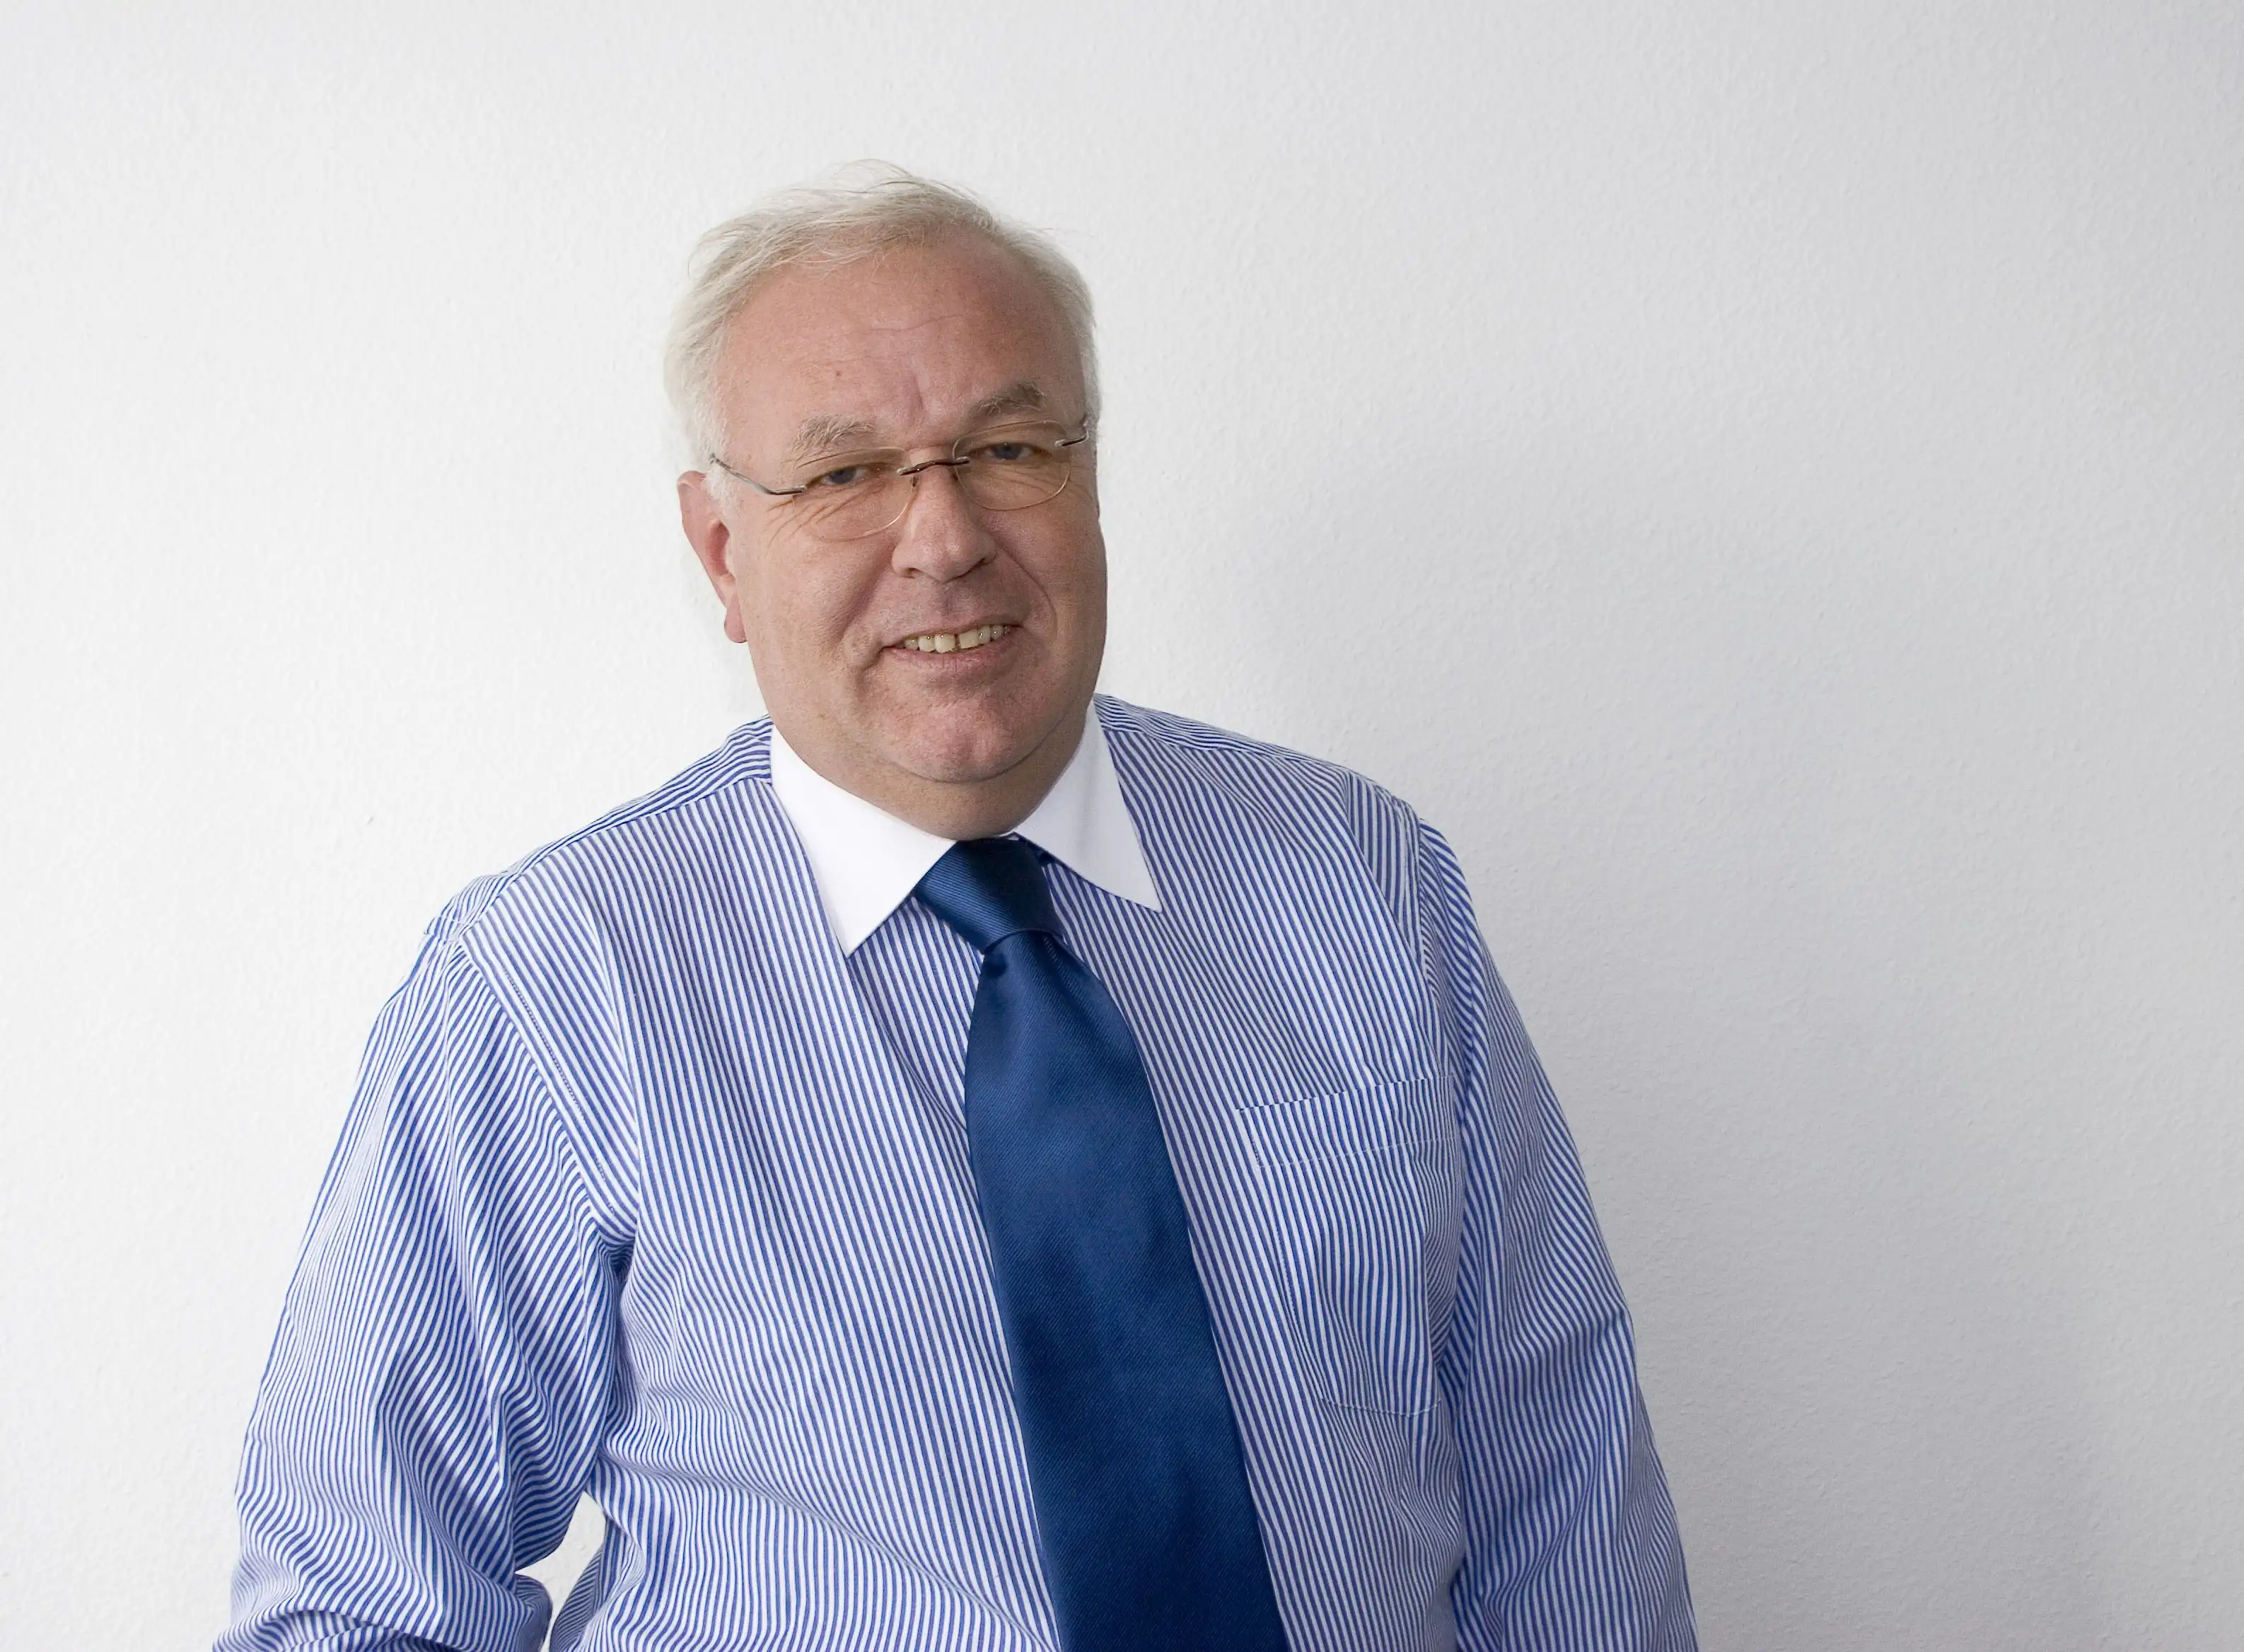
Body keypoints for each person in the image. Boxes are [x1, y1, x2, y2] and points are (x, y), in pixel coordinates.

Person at [218, 169, 1697, 1652]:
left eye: (1006, 446)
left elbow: (1558, 1484)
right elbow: (354, 1597)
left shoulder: (1364, 883)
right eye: (846, 473)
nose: (942, 536)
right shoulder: (552, 989)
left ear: (1092, 476)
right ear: (724, 551)